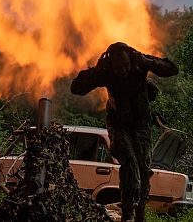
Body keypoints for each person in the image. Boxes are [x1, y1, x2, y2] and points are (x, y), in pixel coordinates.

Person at [70, 42, 179, 222]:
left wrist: (146, 60)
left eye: (125, 67)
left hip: (141, 124)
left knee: (144, 171)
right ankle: (128, 214)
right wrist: (97, 69)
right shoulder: (106, 71)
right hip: (118, 124)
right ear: (111, 65)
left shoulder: (139, 63)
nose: (122, 71)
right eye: (118, 68)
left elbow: (172, 69)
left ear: (131, 61)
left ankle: (140, 214)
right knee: (129, 165)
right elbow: (76, 88)